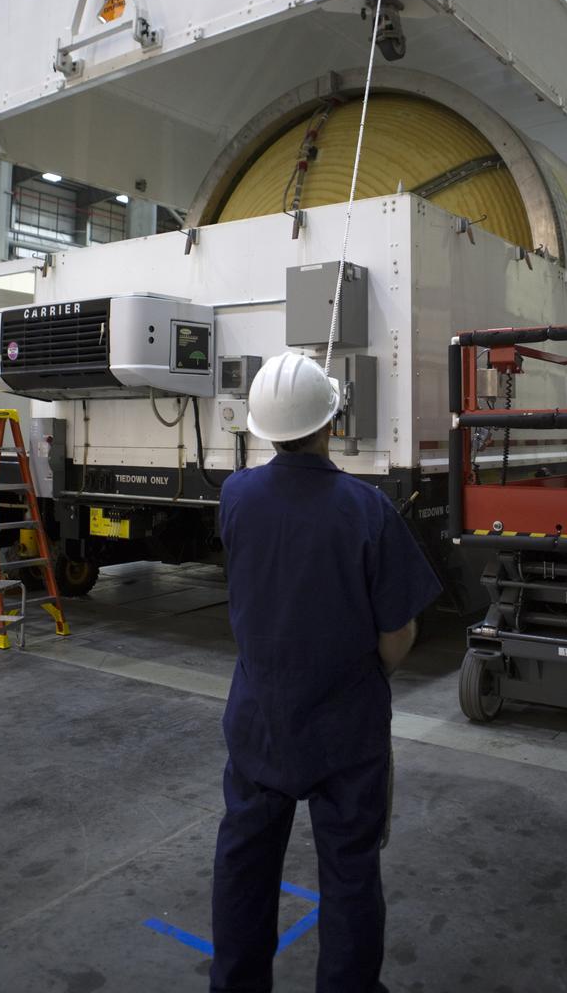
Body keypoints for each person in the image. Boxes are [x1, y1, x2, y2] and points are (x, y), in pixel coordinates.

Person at [210, 351, 441, 993]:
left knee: (244, 866)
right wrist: (368, 676)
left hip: (259, 721)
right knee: (349, 873)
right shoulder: (365, 509)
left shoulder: (236, 496)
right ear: (332, 422)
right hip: (345, 726)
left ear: (262, 427)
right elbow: (399, 632)